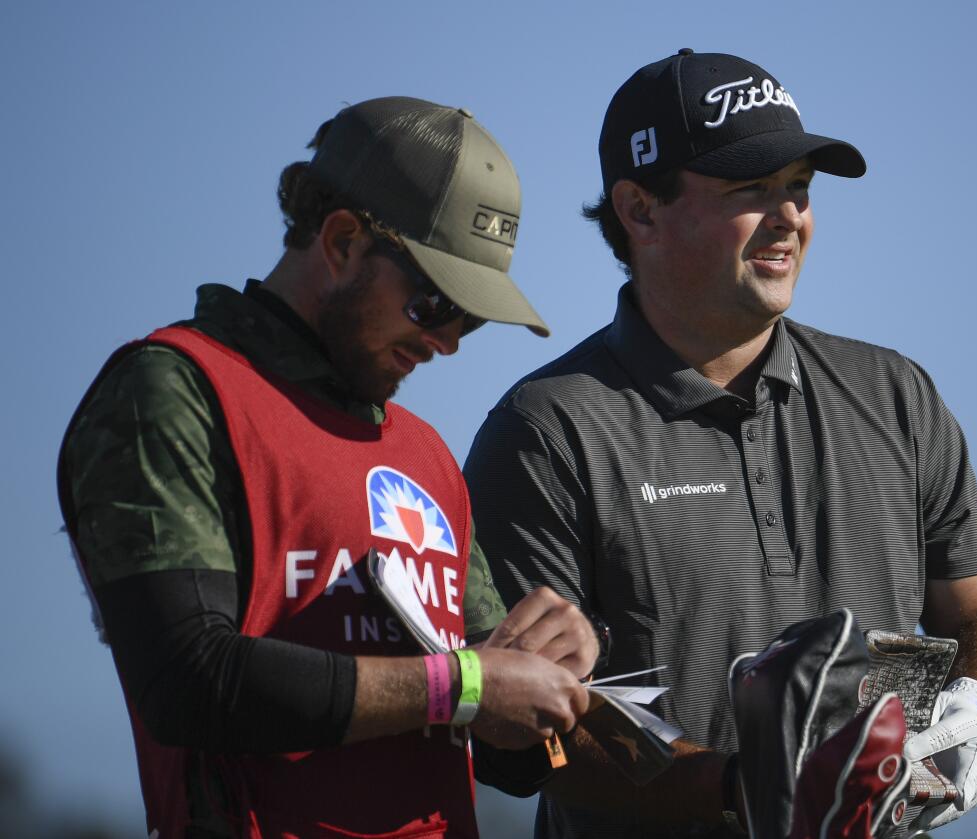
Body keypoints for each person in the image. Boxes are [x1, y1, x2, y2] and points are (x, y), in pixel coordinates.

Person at [463, 50, 977, 837]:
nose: (790, 216)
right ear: (638, 210)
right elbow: (535, 723)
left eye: (799, 188)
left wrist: (975, 712)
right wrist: (749, 789)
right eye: (752, 190)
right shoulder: (546, 430)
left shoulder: (896, 395)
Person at [58, 96, 597, 839]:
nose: (449, 343)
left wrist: (552, 683)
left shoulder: (426, 454)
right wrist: (464, 683)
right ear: (342, 241)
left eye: (469, 318)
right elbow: (187, 679)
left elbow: (505, 749)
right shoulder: (174, 390)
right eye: (434, 302)